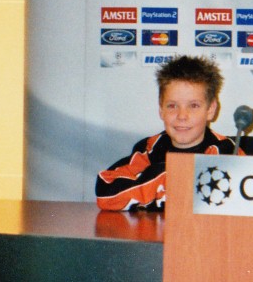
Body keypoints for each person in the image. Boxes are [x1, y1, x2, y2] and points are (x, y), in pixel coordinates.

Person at [95, 55, 242, 211]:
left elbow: (242, 205)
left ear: (210, 110)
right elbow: (105, 192)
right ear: (161, 110)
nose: (182, 116)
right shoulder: (150, 148)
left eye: (193, 106)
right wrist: (167, 175)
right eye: (172, 106)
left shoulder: (226, 151)